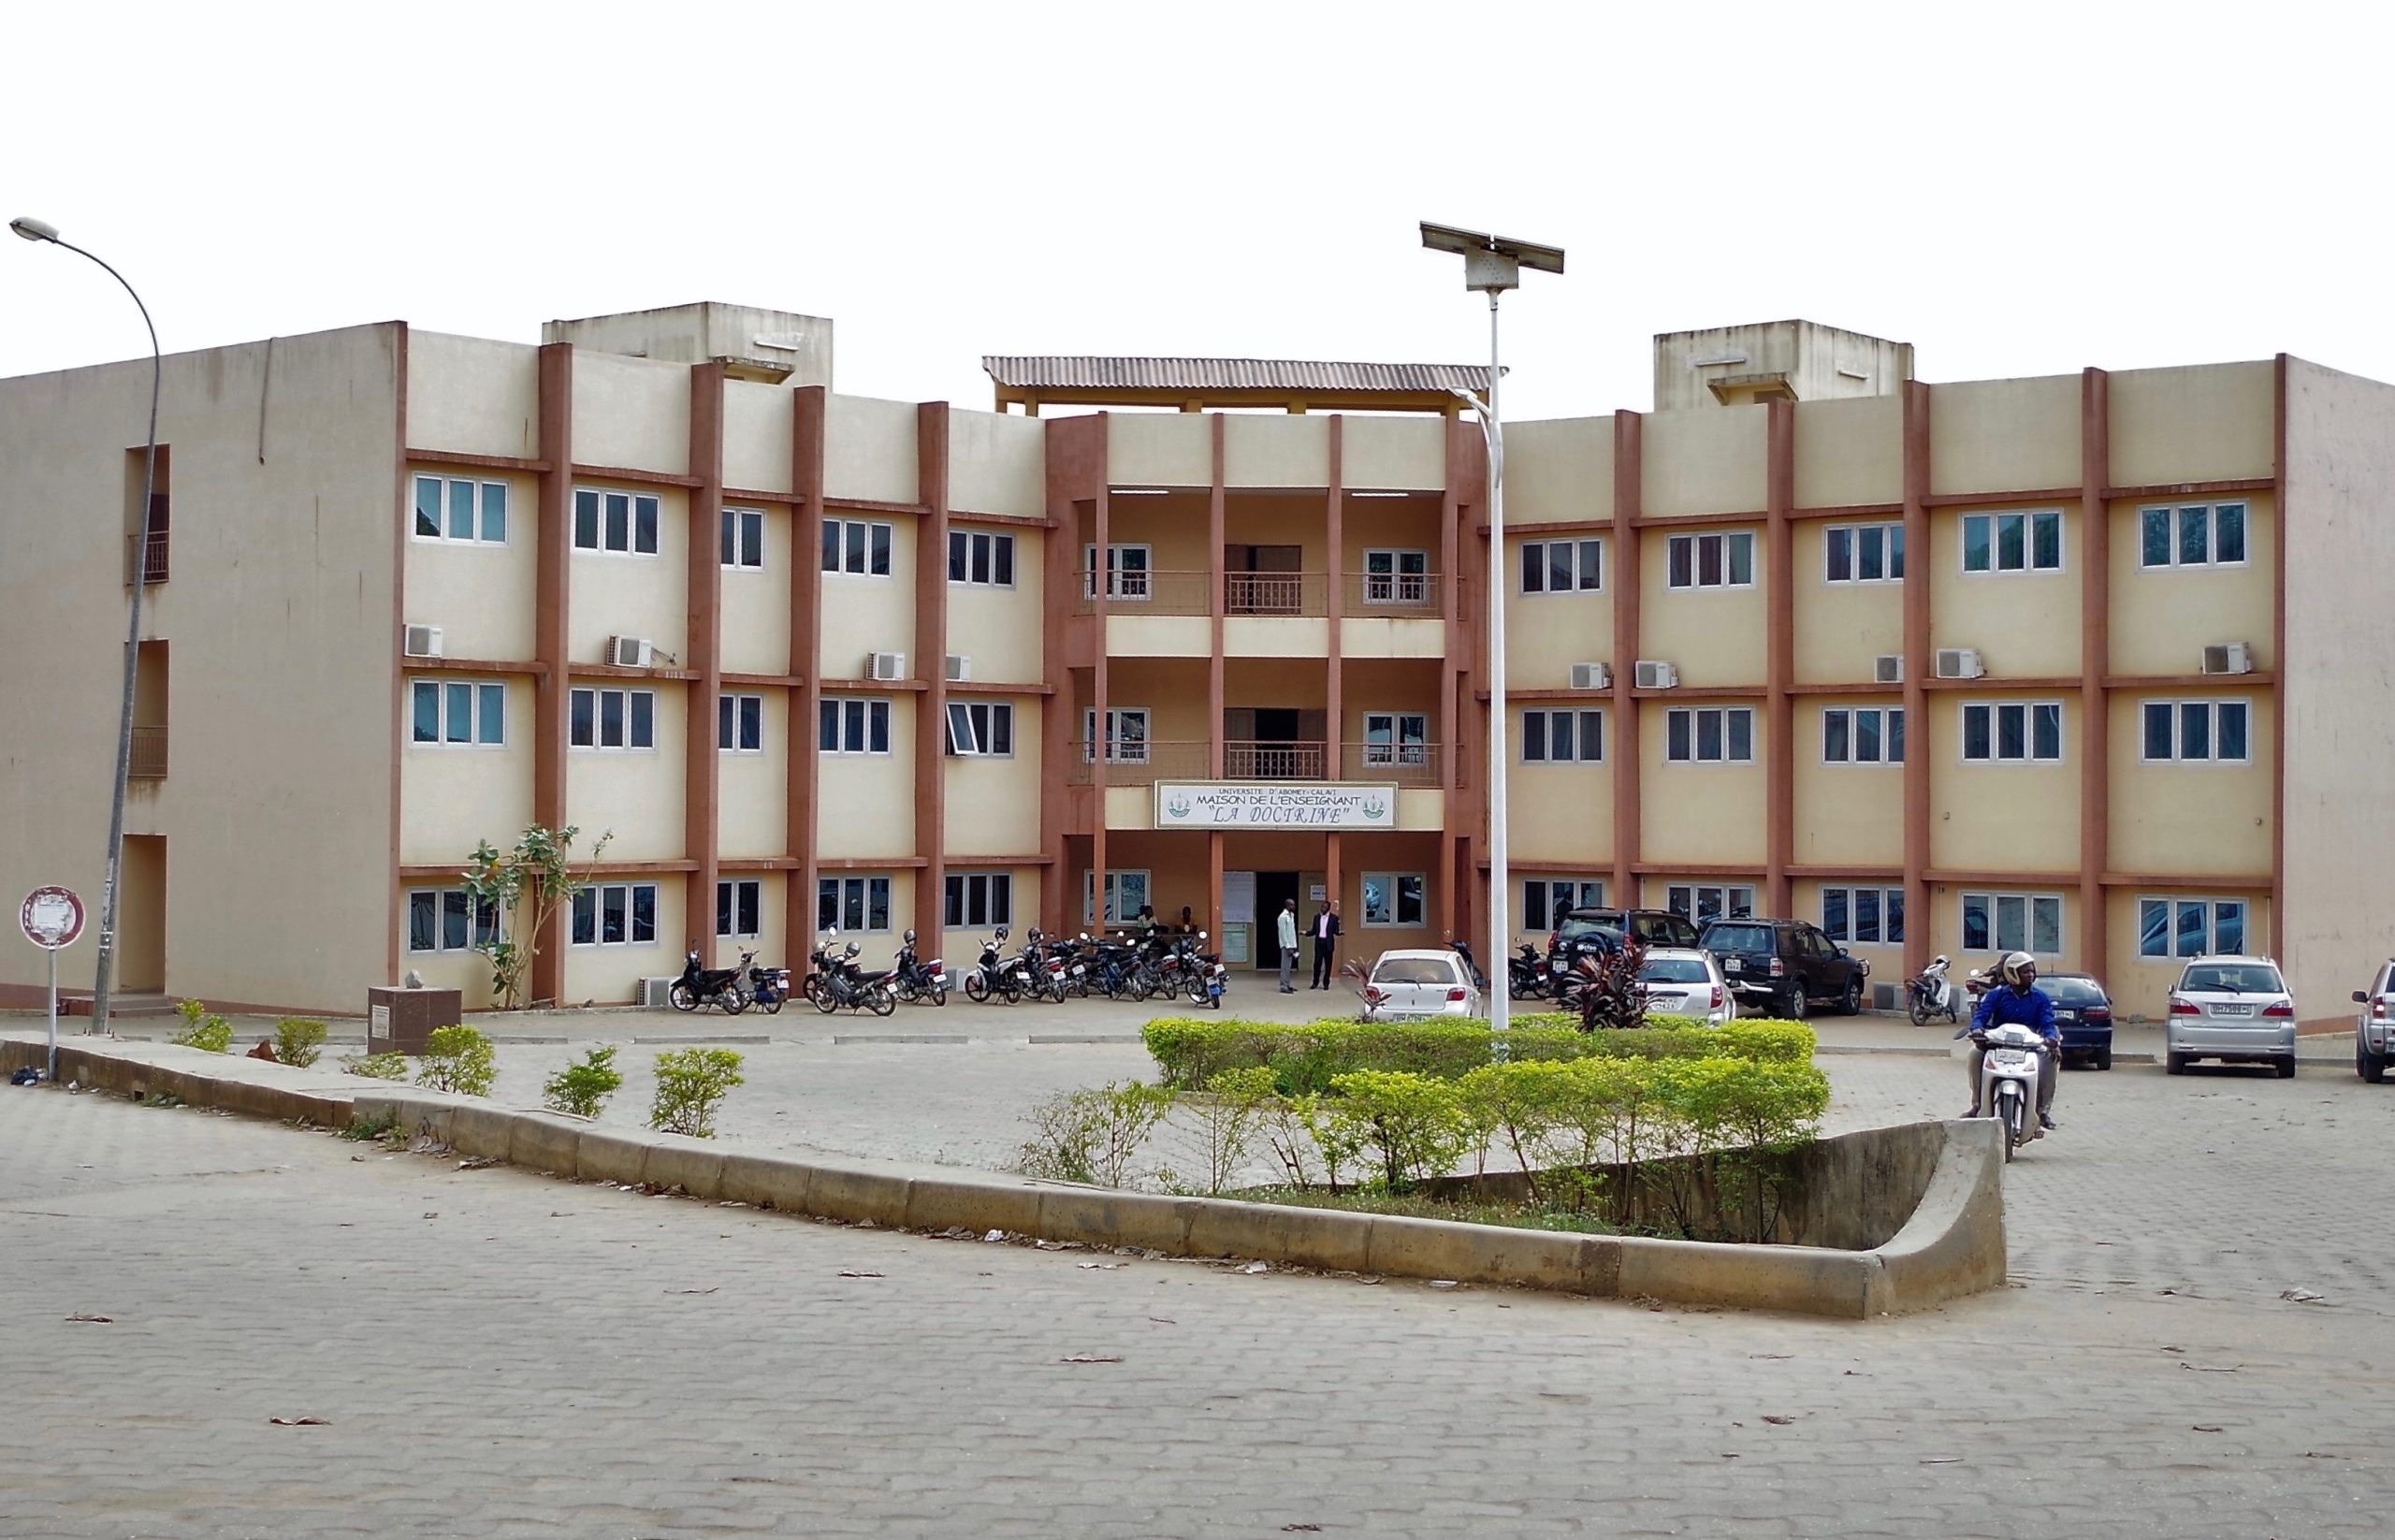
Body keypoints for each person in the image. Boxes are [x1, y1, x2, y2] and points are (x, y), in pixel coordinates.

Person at [1964, 951, 2059, 1129]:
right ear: (2012, 973)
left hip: (2030, 1046)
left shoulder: (2041, 997)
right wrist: (1977, 1029)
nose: (2030, 975)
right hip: (1999, 1043)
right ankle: (1977, 1104)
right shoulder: (1996, 995)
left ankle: (2043, 1110)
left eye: (2032, 971)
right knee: (1975, 1054)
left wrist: (2051, 1038)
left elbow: (2047, 1022)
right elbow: (1981, 1015)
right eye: (2025, 972)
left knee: (2051, 1059)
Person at [1310, 899, 1343, 990]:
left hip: (1328, 944)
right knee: (1317, 964)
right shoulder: (1316, 917)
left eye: (1324, 907)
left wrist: (1340, 932)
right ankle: (1315, 982)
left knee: (1328, 965)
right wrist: (1306, 933)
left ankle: (1326, 983)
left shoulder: (1334, 918)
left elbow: (1335, 931)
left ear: (1328, 908)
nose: (1322, 909)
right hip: (1319, 943)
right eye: (1322, 907)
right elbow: (1314, 931)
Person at [1276, 898, 1300, 994]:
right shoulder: (1282, 917)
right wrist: (1287, 946)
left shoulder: (1291, 915)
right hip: (1287, 946)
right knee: (1285, 966)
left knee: (1289, 967)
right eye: (1292, 905)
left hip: (1292, 945)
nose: (1294, 907)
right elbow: (1283, 933)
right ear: (1287, 906)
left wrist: (1294, 946)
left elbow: (1291, 932)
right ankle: (1283, 985)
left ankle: (1287, 984)